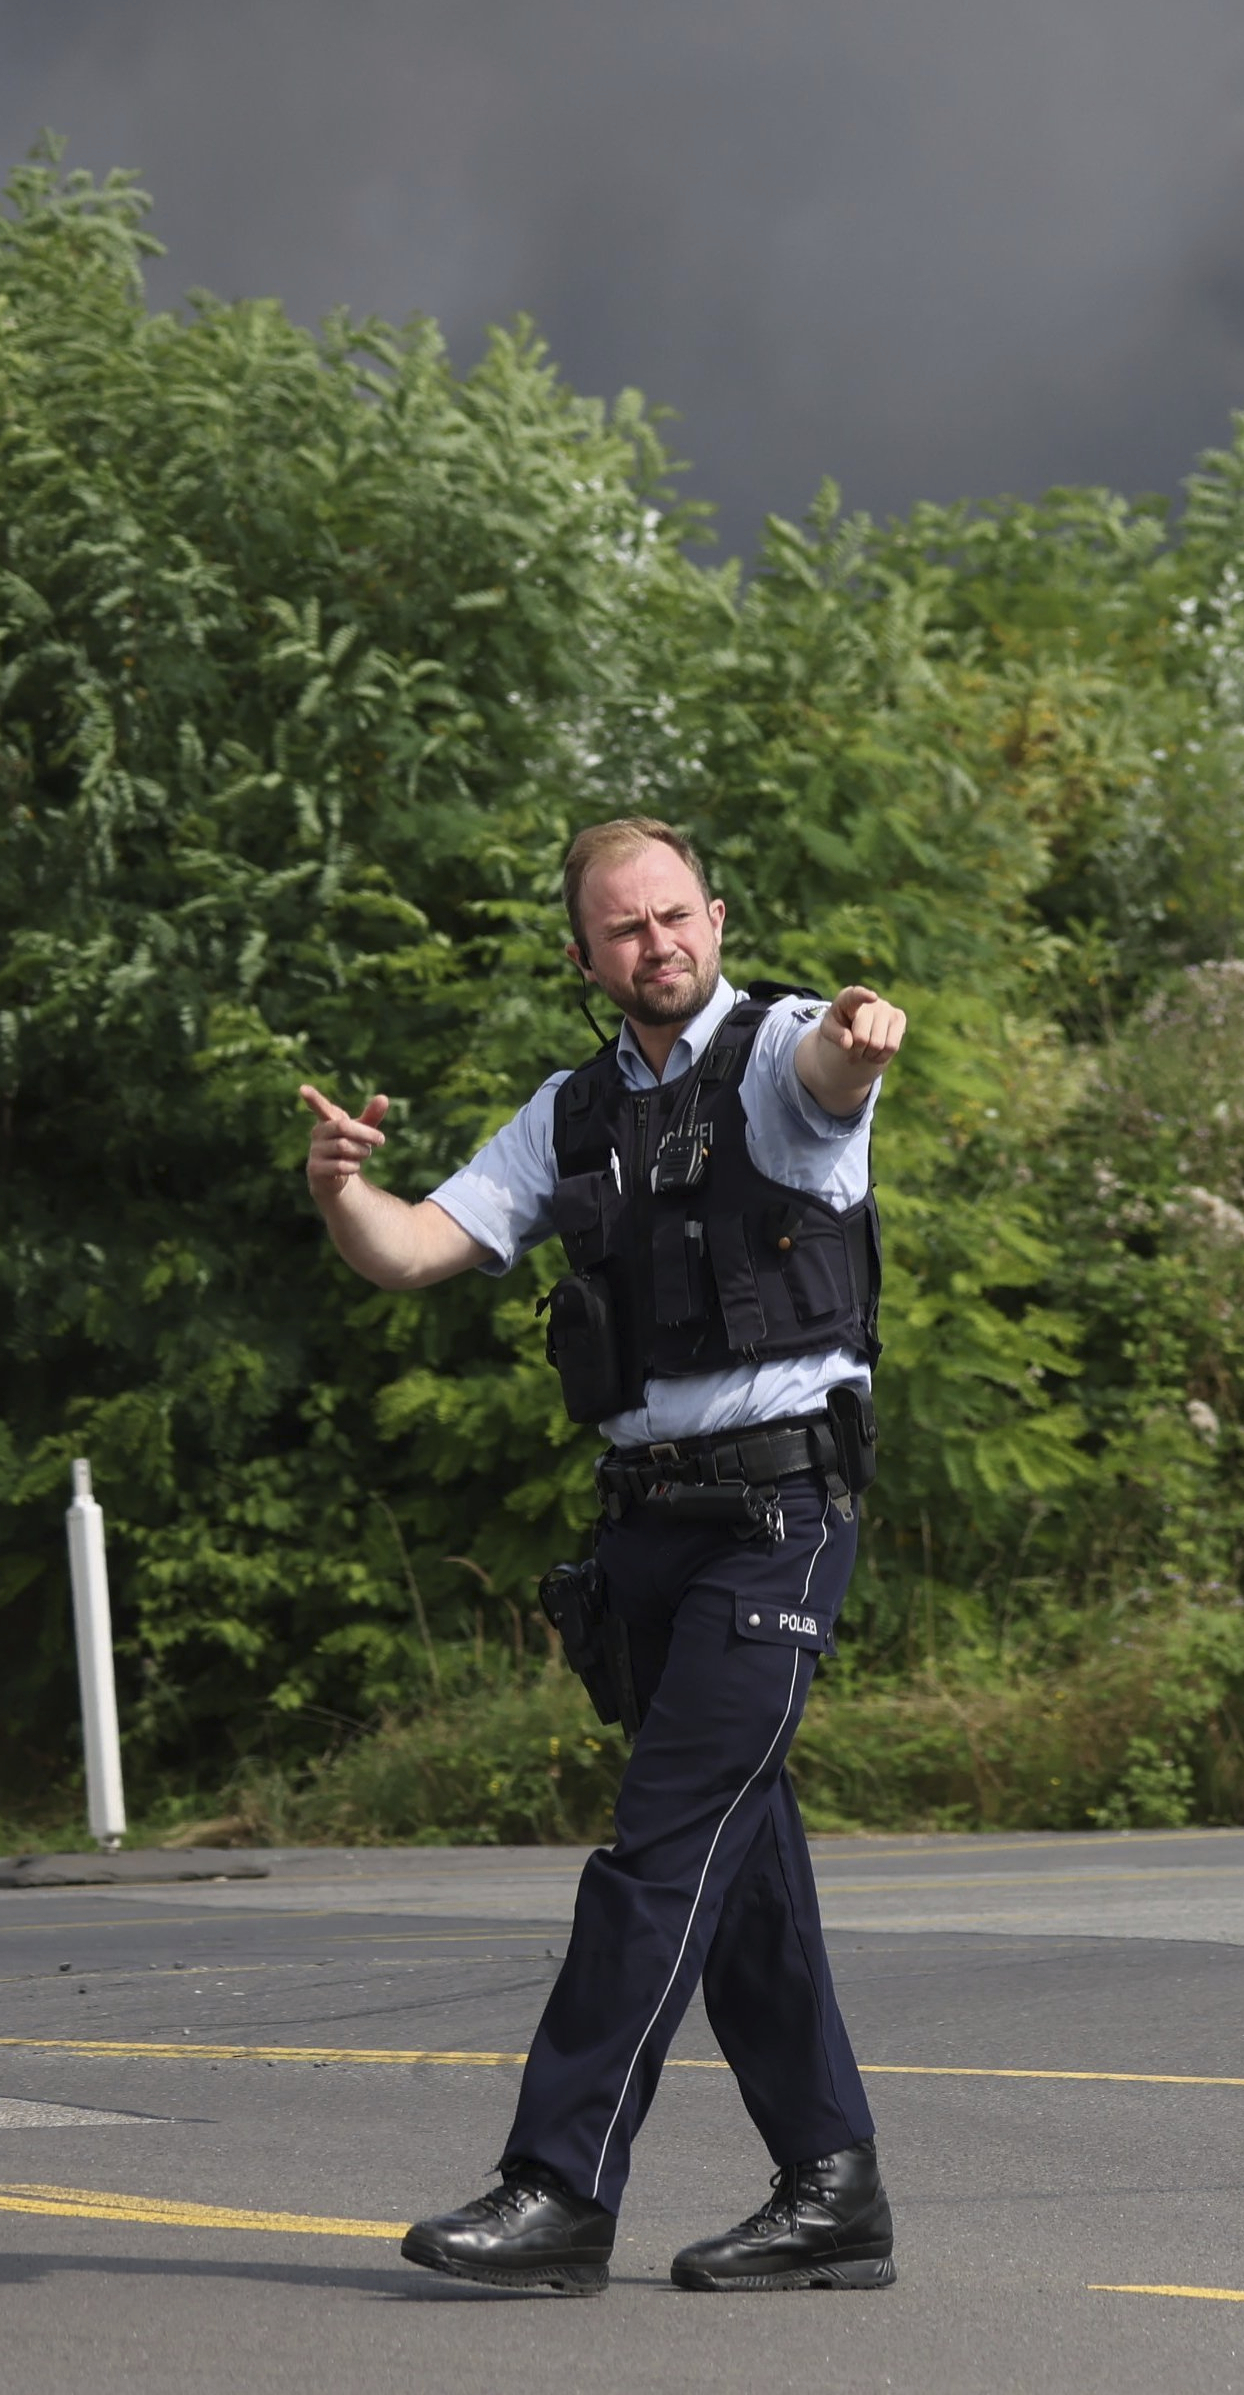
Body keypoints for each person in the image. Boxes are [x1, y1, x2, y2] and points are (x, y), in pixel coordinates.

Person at [299, 814, 907, 2297]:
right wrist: (336, 1189)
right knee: (739, 1870)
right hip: (646, 1528)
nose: (661, 943)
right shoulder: (569, 1115)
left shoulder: (779, 1052)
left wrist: (863, 1041)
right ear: (585, 955)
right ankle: (832, 2189)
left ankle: (558, 2183)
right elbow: (417, 1247)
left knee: (657, 1855)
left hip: (778, 1521)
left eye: (679, 913)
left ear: (717, 911)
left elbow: (832, 1077)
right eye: (628, 928)